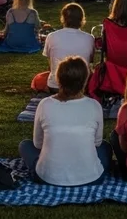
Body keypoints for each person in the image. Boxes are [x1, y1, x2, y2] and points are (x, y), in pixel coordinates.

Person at [19, 56, 112, 186]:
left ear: (58, 79)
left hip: (48, 177)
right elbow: (97, 143)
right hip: (91, 177)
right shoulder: (94, 106)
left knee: (25, 145)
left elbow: (38, 144)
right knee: (105, 147)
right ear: (85, 80)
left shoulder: (45, 104)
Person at [41, 3, 94, 90]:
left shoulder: (52, 36)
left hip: (55, 85)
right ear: (81, 19)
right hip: (81, 86)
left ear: (63, 18)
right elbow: (89, 62)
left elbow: (51, 64)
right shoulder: (89, 38)